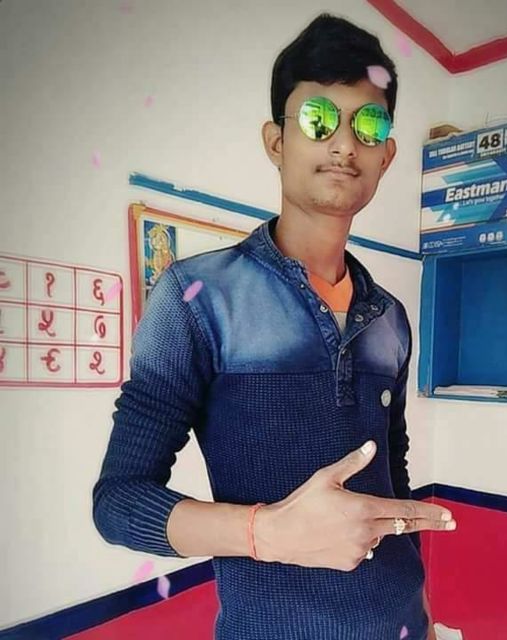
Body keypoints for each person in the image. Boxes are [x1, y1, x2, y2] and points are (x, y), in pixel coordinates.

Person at [92, 13, 456, 640]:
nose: (344, 144)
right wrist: (267, 532)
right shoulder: (197, 299)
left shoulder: (389, 318)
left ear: (387, 155)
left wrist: (420, 609)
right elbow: (118, 502)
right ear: (276, 141)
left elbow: (390, 474)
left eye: (368, 126)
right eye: (318, 120)